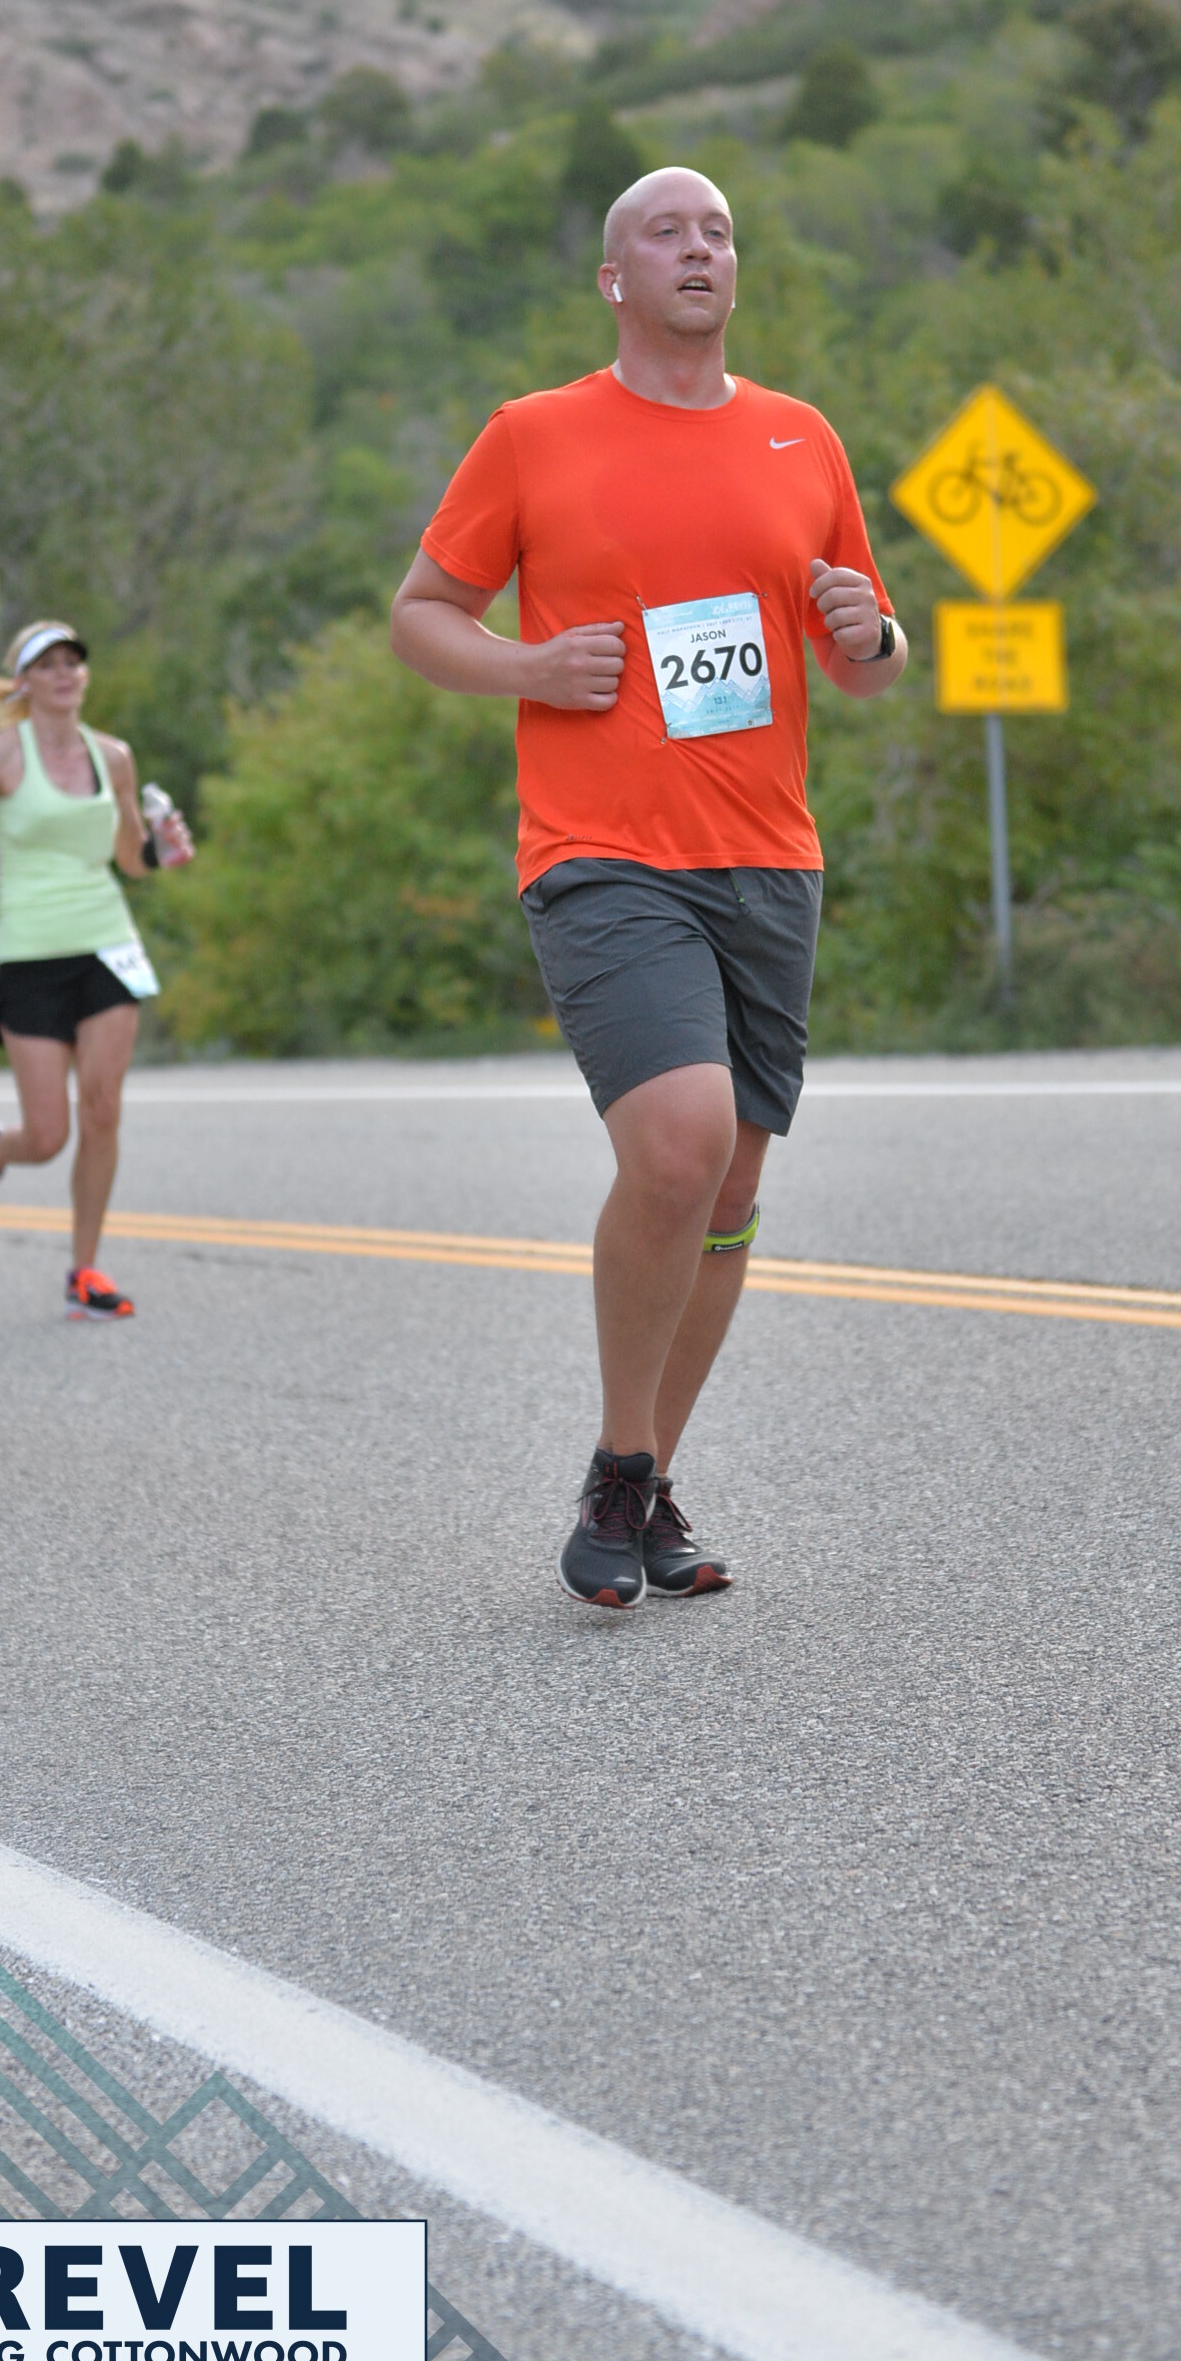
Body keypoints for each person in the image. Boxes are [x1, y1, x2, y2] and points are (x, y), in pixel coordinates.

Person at [391, 165, 907, 1607]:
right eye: (667, 232)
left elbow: (864, 663)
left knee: (730, 1181)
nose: (700, 248)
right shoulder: (535, 434)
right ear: (615, 278)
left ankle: (651, 1480)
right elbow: (420, 617)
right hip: (602, 852)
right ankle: (621, 1465)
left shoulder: (802, 437)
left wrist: (877, 633)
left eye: (718, 232)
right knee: (679, 1146)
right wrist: (530, 666)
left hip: (768, 855)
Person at [0, 619, 192, 1320]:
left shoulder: (113, 757)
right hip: (31, 955)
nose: (65, 673)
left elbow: (129, 858)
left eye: (74, 661)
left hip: (107, 945)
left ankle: (84, 1270)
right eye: (48, 664)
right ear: (25, 683)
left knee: (103, 1109)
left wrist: (162, 850)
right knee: (47, 1135)